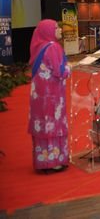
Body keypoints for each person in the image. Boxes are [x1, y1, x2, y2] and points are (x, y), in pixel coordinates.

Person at [29, 19, 71, 174]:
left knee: (43, 124)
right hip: (52, 96)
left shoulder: (39, 46)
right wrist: (70, 67)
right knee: (53, 125)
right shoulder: (53, 47)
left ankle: (43, 161)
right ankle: (54, 162)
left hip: (39, 96)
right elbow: (60, 72)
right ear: (48, 31)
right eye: (56, 27)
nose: (60, 29)